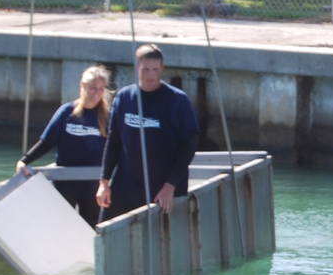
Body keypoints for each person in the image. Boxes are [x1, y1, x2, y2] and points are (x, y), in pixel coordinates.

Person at [97, 44, 201, 220]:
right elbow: (113, 141)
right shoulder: (124, 97)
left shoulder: (177, 100)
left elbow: (189, 145)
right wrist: (104, 182)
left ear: (162, 69)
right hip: (126, 184)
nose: (150, 75)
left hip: (163, 189)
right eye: (145, 69)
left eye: (155, 69)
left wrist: (170, 186)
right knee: (105, 232)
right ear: (137, 67)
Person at [17, 65, 111, 226]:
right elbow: (46, 142)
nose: (96, 93)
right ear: (82, 86)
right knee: (62, 226)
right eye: (92, 88)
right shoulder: (67, 112)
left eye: (101, 89)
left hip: (93, 185)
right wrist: (24, 161)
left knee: (92, 227)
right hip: (65, 182)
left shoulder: (108, 116)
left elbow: (116, 148)